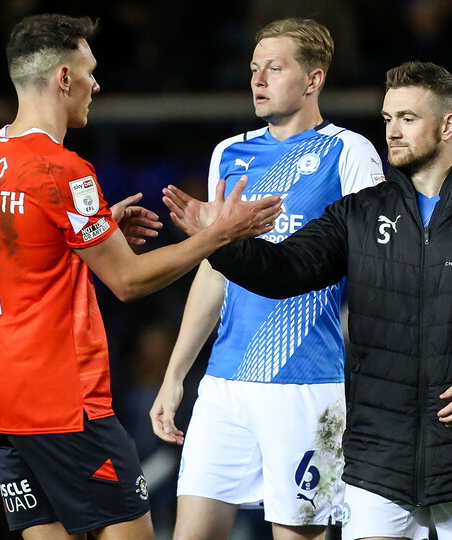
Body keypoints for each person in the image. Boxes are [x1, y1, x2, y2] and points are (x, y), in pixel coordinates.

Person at [163, 60, 452, 540]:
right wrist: (219, 242)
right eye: (388, 118)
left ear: (447, 126)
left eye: (408, 119)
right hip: (377, 462)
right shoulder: (361, 211)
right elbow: (284, 269)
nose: (392, 131)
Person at [0, 14, 282, 540]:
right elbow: (128, 282)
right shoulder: (61, 169)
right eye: (90, 71)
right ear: (64, 77)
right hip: (59, 400)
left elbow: (23, 255)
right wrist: (219, 235)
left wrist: (96, 234)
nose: (97, 84)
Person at [147, 17, 384, 540]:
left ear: (314, 79)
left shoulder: (349, 152)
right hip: (224, 383)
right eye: (254, 68)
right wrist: (175, 374)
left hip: (306, 385)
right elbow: (214, 270)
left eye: (274, 68)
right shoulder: (230, 154)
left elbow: (376, 270)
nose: (257, 79)